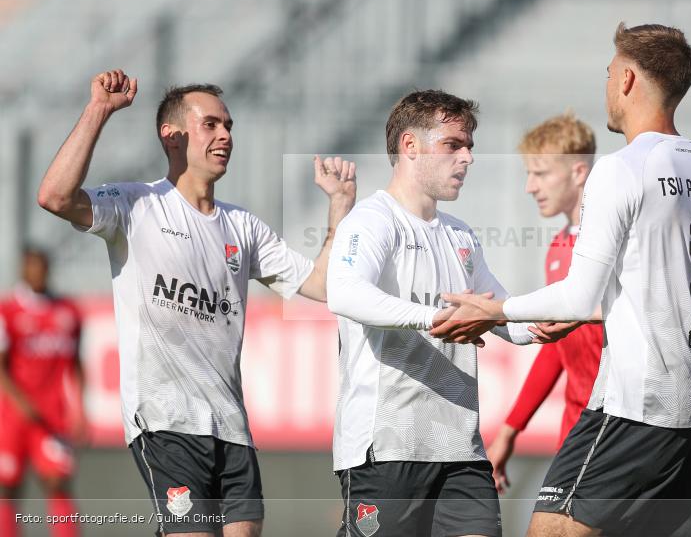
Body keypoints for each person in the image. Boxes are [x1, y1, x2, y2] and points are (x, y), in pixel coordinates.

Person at [433, 22, 691, 537]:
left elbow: (576, 294)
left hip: (639, 405)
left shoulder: (622, 169)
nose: (607, 83)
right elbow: (660, 287)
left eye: (610, 71)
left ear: (630, 79)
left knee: (551, 530)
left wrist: (492, 309)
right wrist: (592, 315)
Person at [37, 69, 357, 537]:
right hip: (167, 422)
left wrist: (340, 207)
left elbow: (325, 286)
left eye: (228, 126)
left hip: (232, 428)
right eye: (211, 124)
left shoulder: (243, 227)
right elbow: (54, 196)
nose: (225, 135)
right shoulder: (136, 205)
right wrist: (99, 110)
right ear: (172, 135)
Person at [326, 90, 577, 537]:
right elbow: (344, 294)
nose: (467, 158)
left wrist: (542, 324)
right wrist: (434, 319)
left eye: (470, 147)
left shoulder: (461, 236)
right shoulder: (372, 221)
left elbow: (499, 315)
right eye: (453, 145)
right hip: (387, 450)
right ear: (410, 146)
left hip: (462, 453)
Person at [486, 112, 604, 495]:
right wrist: (510, 428)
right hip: (575, 425)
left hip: (617, 425)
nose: (529, 186)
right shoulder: (558, 248)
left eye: (540, 174)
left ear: (578, 172)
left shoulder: (613, 240)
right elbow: (558, 346)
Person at [0, 248, 85, 537]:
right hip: (12, 415)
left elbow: (76, 364)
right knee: (8, 486)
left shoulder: (67, 312)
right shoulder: (7, 312)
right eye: (33, 267)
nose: (38, 273)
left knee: (57, 482)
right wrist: (20, 401)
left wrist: (80, 410)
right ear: (24, 270)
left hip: (51, 416)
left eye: (43, 267)